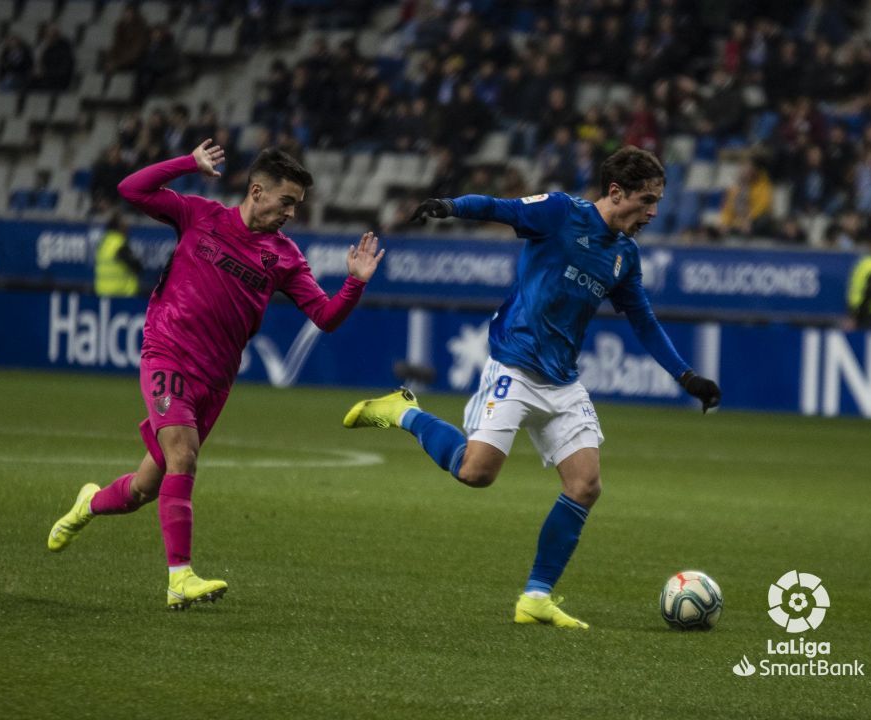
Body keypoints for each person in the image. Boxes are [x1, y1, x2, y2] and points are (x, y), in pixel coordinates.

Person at [343, 146, 720, 630]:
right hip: (515, 366)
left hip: (563, 381)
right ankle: (403, 412)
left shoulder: (625, 256)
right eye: (647, 201)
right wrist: (451, 206)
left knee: (585, 486)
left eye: (657, 203)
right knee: (476, 474)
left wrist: (686, 376)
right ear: (615, 192)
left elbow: (643, 321)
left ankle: (536, 597)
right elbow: (503, 208)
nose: (653, 213)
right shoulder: (561, 213)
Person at [48, 140, 385, 609]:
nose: (292, 212)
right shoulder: (198, 215)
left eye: (297, 205)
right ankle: (178, 577)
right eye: (286, 201)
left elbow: (325, 316)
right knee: (183, 456)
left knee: (146, 487)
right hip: (167, 354)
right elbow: (130, 188)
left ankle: (88, 503)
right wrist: (188, 163)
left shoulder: (284, 257)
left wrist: (354, 283)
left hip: (216, 379)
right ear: (257, 191)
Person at [95, 213, 143, 297]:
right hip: (121, 295)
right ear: (119, 227)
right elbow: (135, 266)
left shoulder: (104, 242)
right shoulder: (119, 244)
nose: (128, 227)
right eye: (124, 224)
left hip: (103, 293)